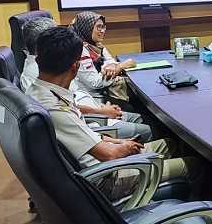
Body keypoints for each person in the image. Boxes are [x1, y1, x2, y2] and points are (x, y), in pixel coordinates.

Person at [26, 26, 202, 200]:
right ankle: (193, 212)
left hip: (102, 157)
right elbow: (109, 155)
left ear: (39, 60)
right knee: (194, 164)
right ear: (75, 67)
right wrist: (122, 147)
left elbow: (84, 135)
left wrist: (118, 141)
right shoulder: (55, 108)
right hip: (108, 176)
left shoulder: (39, 92)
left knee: (170, 144)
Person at [20, 17, 152, 142]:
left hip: (94, 111)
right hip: (92, 122)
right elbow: (65, 113)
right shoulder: (42, 71)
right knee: (151, 128)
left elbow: (72, 98)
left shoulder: (49, 65)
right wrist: (100, 112)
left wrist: (100, 108)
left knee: (147, 119)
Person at [69, 11, 136, 105]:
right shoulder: (79, 49)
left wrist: (113, 66)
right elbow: (95, 82)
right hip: (93, 100)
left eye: (103, 26)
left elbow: (110, 61)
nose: (103, 30)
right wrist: (120, 67)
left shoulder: (95, 45)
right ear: (87, 28)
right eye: (98, 27)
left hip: (105, 93)